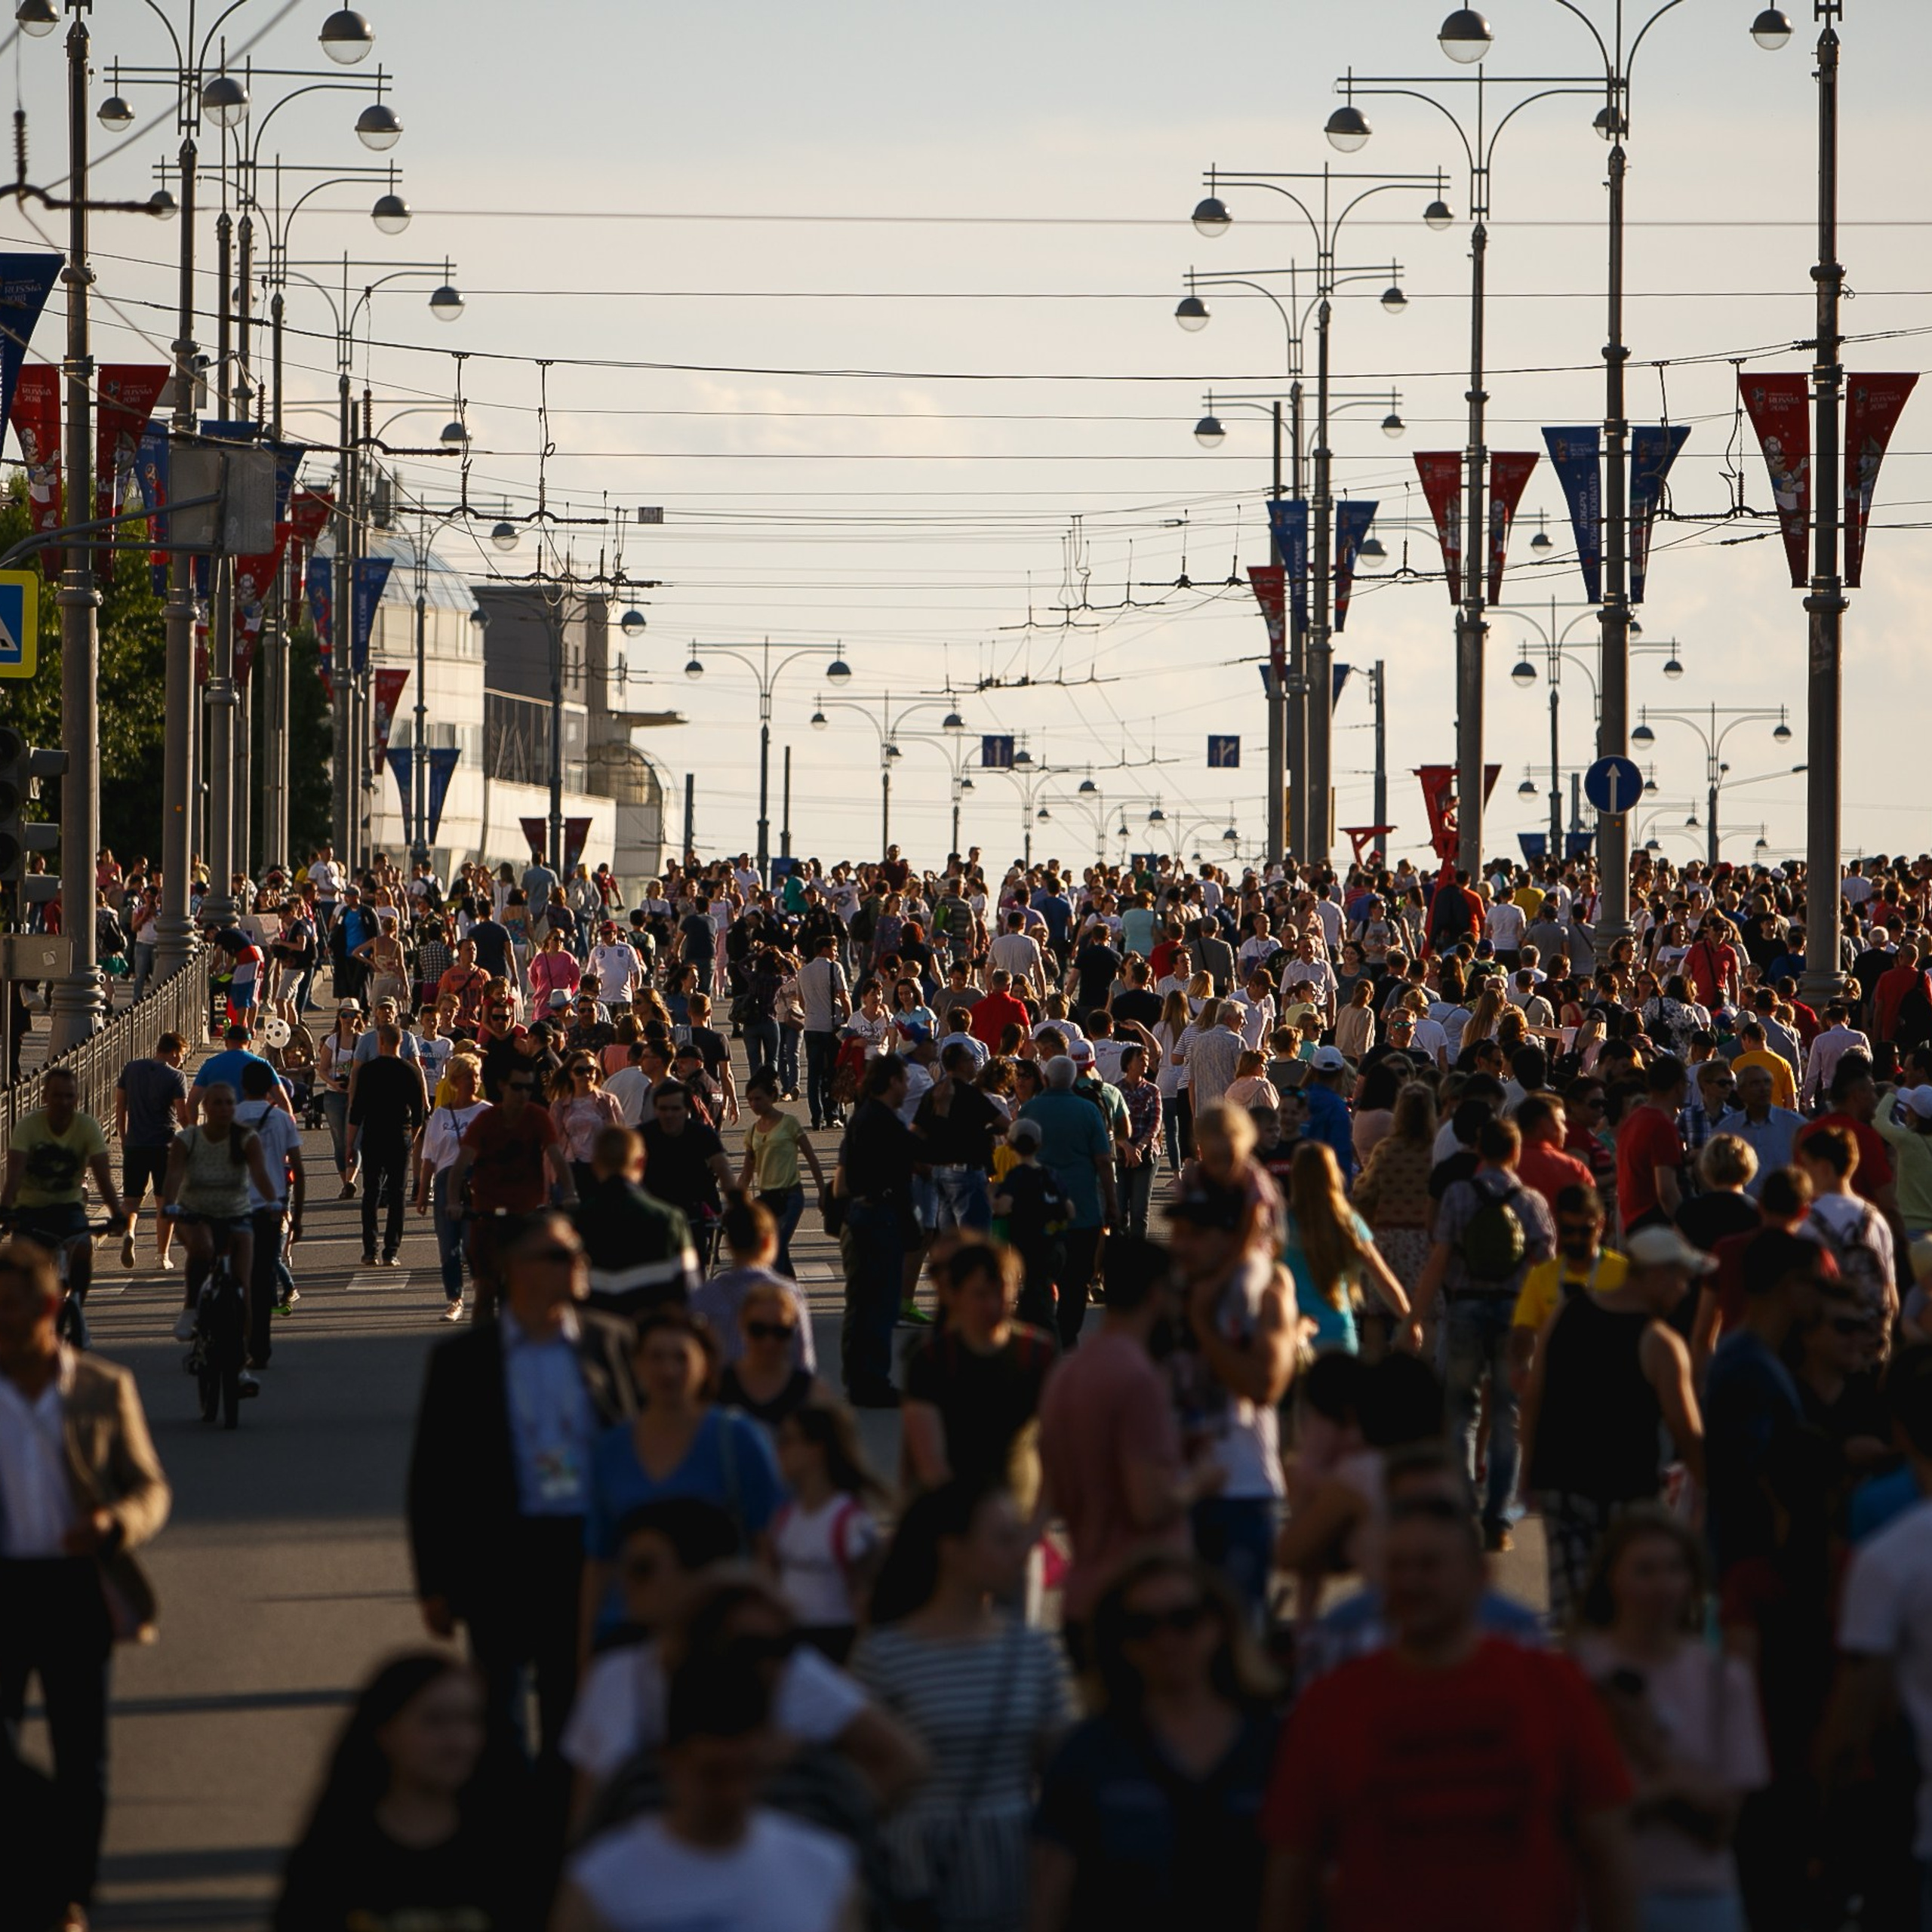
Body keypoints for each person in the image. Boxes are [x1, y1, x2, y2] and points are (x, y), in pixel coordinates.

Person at [1259, 1491, 1636, 1932]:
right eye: (1397, 1567)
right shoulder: (1330, 1703)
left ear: (1481, 1577)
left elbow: (1606, 1848)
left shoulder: (1553, 1687)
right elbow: (1292, 1867)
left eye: (1430, 1566)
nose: (1412, 1582)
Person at [406, 1212, 638, 1798]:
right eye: (560, 1255)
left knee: (572, 1715)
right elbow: (433, 1478)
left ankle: (557, 1829)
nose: (578, 1264)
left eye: (578, 1252)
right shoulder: (463, 1361)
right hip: (499, 1556)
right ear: (518, 1269)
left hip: (583, 1557)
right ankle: (507, 1824)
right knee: (499, 1721)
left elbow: (638, 1456)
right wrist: (434, 1583)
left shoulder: (610, 1343)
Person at [0, 1238, 171, 1929]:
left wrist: (113, 1524)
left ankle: (69, 1893)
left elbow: (150, 1488)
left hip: (75, 1590)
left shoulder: (102, 1387)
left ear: (49, 1308)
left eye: (11, 1308)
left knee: (82, 1760)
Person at [854, 1478, 1075, 1932]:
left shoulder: (1034, 1651)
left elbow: (1062, 1775)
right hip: (914, 1876)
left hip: (1013, 1873)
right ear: (951, 1550)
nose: (1020, 1552)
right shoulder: (884, 1655)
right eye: (1003, 1539)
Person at [1032, 1554, 1280, 1932]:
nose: (1166, 1640)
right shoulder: (1087, 1754)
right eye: (1141, 1626)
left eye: (1184, 1620)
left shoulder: (1277, 1746)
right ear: (1119, 1642)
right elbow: (1046, 1901)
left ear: (1219, 1624)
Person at [551, 1663, 860, 1932]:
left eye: (747, 1771)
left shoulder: (825, 1871)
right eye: (713, 1774)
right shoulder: (603, 1884)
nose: (732, 1794)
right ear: (668, 1760)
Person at [1572, 1507, 1767, 1932]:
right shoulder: (1574, 1673)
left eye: (1675, 1570)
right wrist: (1682, 1787)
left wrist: (1646, 1782)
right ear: (1612, 1578)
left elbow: (1725, 1818)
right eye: (1645, 1570)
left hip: (1699, 1895)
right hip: (1594, 1892)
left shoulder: (1722, 1678)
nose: (1662, 1585)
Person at [1037, 1235, 1214, 1662]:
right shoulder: (1139, 1379)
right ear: (1155, 1295)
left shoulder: (1067, 1373)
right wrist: (1201, 1482)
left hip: (1083, 1591)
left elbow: (1052, 1489)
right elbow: (1149, 1505)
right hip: (1142, 1602)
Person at [1521, 1224, 1708, 1623]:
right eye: (1681, 1279)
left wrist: (1527, 1471)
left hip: (1560, 1484)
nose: (1684, 1291)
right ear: (1657, 1275)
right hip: (1627, 1493)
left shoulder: (1566, 1313)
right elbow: (1687, 1431)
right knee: (1630, 1611)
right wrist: (1709, 1489)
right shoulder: (1661, 1343)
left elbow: (1534, 1396)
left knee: (1576, 1611)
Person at [273, 1654, 533, 1932]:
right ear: (384, 1731)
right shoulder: (334, 1855)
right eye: (435, 1721)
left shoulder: (509, 1847)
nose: (458, 1741)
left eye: (471, 1720)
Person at [580, 1308, 784, 1647]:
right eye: (656, 1357)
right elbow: (599, 1560)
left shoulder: (738, 1440)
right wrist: (587, 1652)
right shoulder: (610, 1450)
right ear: (636, 1366)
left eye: (681, 1358)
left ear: (705, 1366)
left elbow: (768, 1546)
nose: (668, 1370)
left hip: (717, 1639)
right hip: (630, 1637)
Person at [1412, 1115, 1557, 1552]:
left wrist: (1415, 1316)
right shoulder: (1530, 1201)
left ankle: (1460, 1509)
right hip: (1515, 1314)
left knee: (1462, 1410)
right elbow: (1545, 1268)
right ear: (1515, 1151)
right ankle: (1497, 1519)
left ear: (1478, 1150)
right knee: (1507, 1415)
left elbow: (1439, 1259)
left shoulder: (1458, 1195)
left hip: (1465, 1308)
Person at [1164, 1174, 1297, 1617]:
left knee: (1238, 1631)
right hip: (1171, 1495)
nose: (1182, 1244)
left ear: (1228, 1239)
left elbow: (1264, 1386)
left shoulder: (1266, 1291)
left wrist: (1202, 1324)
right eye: (1178, 1232)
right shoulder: (1162, 1294)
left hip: (1241, 1492)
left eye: (1196, 1234)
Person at [903, 1236, 1056, 1501]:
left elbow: (1057, 1446)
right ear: (955, 1295)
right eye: (981, 1294)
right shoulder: (931, 1358)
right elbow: (929, 1465)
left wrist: (1036, 1520)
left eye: (1001, 1292)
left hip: (1021, 1504)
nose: (993, 1305)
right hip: (950, 1507)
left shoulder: (1036, 1353)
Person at [2, 1065, 128, 1349]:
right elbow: (15, 1174)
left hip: (68, 1207)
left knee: (82, 1249)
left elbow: (103, 1177)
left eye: (69, 1096)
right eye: (57, 1096)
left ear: (76, 1099)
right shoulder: (28, 1127)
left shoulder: (87, 1127)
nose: (63, 1102)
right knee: (21, 1270)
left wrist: (117, 1214)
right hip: (30, 1210)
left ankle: (76, 1309)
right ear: (45, 1097)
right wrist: (6, 1210)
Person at [446, 1063, 578, 1319]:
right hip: (487, 1216)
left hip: (525, 1216)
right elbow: (460, 1165)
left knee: (528, 1287)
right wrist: (453, 1202)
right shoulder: (486, 1120)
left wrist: (570, 1193)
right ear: (502, 1087)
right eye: (517, 1087)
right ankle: (483, 1336)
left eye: (529, 1087)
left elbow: (556, 1157)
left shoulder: (537, 1117)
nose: (523, 1093)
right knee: (486, 1289)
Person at [772, 1401, 888, 1662]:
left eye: (787, 1441)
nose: (778, 1451)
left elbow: (869, 1599)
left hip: (837, 1649)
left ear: (816, 1450)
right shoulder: (785, 1518)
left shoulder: (851, 1522)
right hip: (792, 1646)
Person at [835, 1054, 918, 1407]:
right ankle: (872, 1380)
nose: (907, 1087)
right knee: (879, 1303)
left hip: (862, 1216)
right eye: (904, 1080)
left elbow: (842, 1179)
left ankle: (860, 1377)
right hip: (878, 1218)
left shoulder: (864, 1117)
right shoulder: (882, 1121)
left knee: (862, 1303)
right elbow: (909, 1163)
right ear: (892, 1082)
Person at [1020, 1055, 1118, 1350]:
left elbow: (1018, 1155)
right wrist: (1112, 1202)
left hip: (1038, 1206)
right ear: (1074, 1079)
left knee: (1038, 1274)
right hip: (1082, 1206)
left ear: (1046, 1079)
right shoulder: (1088, 1110)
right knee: (1076, 1278)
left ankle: (1042, 1332)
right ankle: (1068, 1332)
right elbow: (1103, 1160)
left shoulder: (1030, 1109)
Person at [235, 1060, 304, 1369]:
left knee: (236, 1275)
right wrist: (297, 1216)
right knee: (263, 1279)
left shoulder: (232, 1117)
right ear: (270, 1089)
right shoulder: (282, 1119)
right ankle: (261, 1348)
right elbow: (298, 1169)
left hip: (236, 1207)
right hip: (271, 1207)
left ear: (243, 1086)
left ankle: (235, 1337)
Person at [346, 1023, 429, 1269]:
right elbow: (419, 1114)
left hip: (373, 1136)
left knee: (371, 1191)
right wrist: (411, 1139)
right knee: (397, 1194)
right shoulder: (410, 1072)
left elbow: (356, 1111)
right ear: (401, 1043)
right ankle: (391, 1251)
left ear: (380, 1041)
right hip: (399, 1136)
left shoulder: (367, 1071)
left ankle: (369, 1250)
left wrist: (350, 1144)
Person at [415, 1053, 491, 1322]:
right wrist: (422, 1193)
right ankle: (455, 1300)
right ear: (455, 1081)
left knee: (473, 1244)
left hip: (477, 1183)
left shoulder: (486, 1112)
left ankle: (482, 1293)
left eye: (477, 1076)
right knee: (448, 1246)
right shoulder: (440, 1116)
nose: (474, 1081)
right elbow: (429, 1157)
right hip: (446, 1183)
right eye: (469, 1076)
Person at [113, 1032, 189, 1272]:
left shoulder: (132, 1069)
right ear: (174, 1052)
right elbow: (182, 1114)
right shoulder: (176, 1076)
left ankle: (129, 1232)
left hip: (135, 1145)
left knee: (131, 1201)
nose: (182, 1061)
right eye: (182, 1055)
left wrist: (124, 1138)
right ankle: (162, 1256)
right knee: (164, 1203)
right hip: (164, 1147)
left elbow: (121, 1107)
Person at [738, 1069, 826, 1275]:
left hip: (791, 1197)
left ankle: (780, 1290)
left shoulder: (789, 1123)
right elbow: (746, 1173)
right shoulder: (752, 1132)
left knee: (776, 1246)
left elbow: (812, 1159)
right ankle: (789, 1290)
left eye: (758, 1099)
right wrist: (736, 1202)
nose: (754, 1104)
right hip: (767, 1199)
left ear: (772, 1097)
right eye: (750, 1100)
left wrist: (823, 1193)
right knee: (776, 1251)